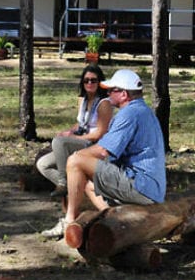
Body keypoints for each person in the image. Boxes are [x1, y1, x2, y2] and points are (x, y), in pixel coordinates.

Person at [42, 69, 166, 239]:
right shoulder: (143, 110)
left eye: (111, 90)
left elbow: (103, 150)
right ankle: (114, 220)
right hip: (152, 188)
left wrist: (78, 156)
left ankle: (68, 221)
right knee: (87, 183)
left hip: (140, 185)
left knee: (75, 162)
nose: (107, 93)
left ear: (123, 94)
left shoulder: (129, 113)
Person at [36, 65, 113, 199]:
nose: (89, 83)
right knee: (42, 164)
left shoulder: (104, 103)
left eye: (93, 80)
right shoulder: (83, 100)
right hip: (81, 139)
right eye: (86, 80)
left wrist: (77, 137)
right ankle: (79, 188)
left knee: (59, 142)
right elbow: (81, 122)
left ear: (100, 82)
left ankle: (63, 183)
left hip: (94, 144)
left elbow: (100, 133)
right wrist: (69, 131)